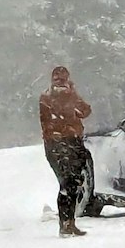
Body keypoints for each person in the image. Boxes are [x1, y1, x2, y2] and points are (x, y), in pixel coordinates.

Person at [39, 66, 92, 237]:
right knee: (67, 184)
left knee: (73, 184)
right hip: (59, 144)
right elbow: (47, 123)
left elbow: (86, 111)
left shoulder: (69, 95)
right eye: (58, 79)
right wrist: (59, 133)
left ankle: (69, 223)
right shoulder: (47, 97)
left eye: (62, 79)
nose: (60, 83)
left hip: (71, 142)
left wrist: (75, 105)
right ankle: (65, 225)